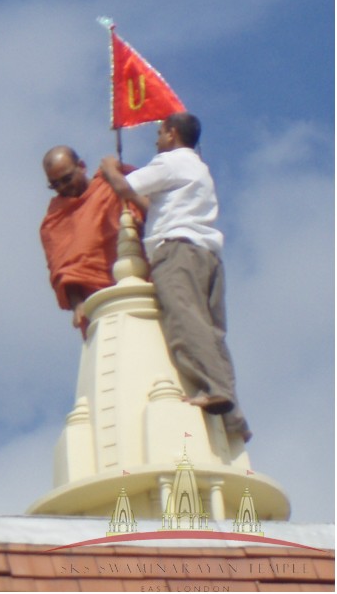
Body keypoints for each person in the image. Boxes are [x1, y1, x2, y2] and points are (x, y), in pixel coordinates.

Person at [100, 112, 250, 442]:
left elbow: (124, 185)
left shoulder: (168, 162)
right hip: (206, 254)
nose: (156, 139)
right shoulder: (198, 169)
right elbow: (149, 203)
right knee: (211, 332)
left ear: (171, 134)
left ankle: (215, 390)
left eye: (159, 132)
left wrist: (109, 166)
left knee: (184, 321)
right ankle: (234, 416)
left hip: (177, 252)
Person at [40, 145, 138, 339]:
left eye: (67, 179)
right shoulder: (54, 221)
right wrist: (78, 306)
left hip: (136, 287)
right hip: (98, 306)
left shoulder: (108, 184)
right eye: (55, 184)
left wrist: (116, 176)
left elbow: (147, 210)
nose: (63, 188)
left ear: (82, 167)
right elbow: (65, 273)